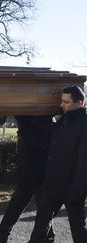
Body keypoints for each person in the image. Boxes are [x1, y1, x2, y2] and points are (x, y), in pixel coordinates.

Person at [0, 115, 54, 243]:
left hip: (37, 161)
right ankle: (3, 232)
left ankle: (46, 238)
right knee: (20, 199)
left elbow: (37, 134)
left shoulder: (40, 115)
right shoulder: (31, 114)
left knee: (42, 204)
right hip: (29, 160)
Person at [28, 86, 87, 243]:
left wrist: (78, 190)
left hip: (73, 188)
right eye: (61, 101)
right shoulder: (61, 121)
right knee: (40, 228)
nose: (61, 105)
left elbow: (84, 161)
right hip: (53, 185)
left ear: (79, 103)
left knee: (78, 230)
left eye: (66, 102)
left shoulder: (84, 126)